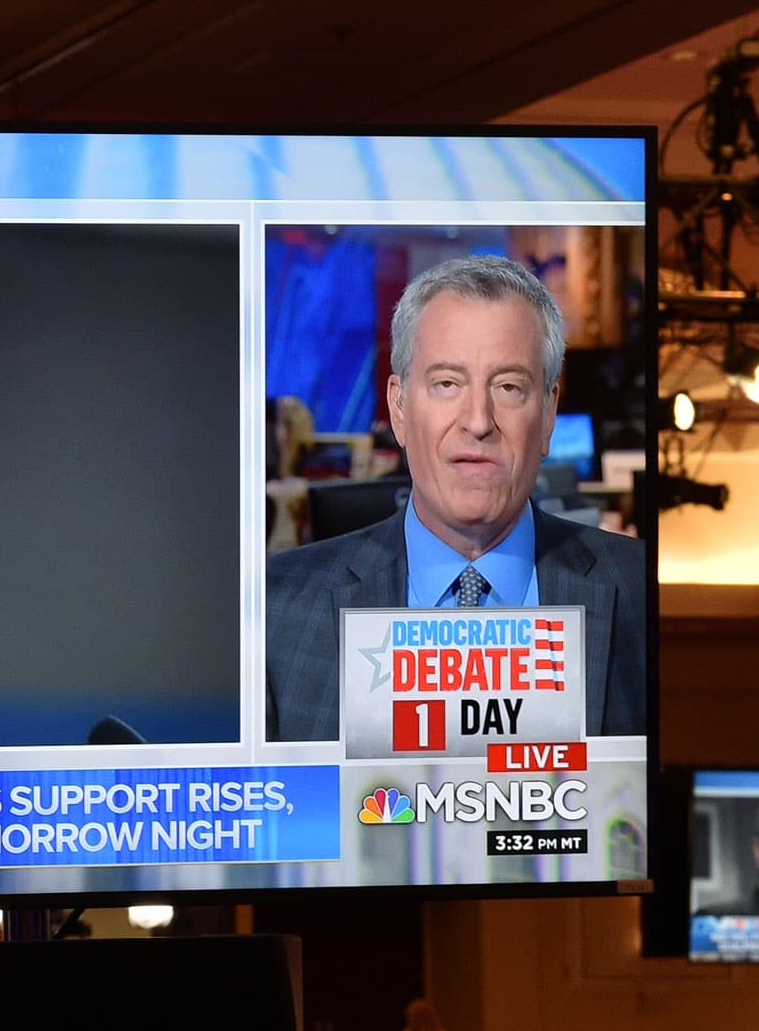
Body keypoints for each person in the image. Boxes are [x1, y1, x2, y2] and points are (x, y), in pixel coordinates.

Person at [266, 255, 646, 742]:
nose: (478, 421)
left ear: (548, 412)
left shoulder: (639, 590)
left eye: (508, 386)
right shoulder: (278, 607)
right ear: (399, 409)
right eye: (447, 384)